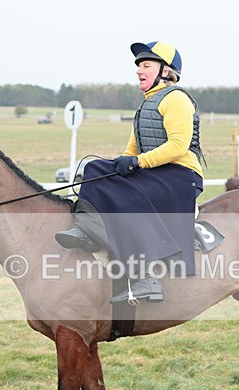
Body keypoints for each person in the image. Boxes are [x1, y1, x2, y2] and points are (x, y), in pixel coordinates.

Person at [55, 41, 205, 304]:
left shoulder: (177, 99)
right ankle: (87, 228)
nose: (139, 70)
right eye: (139, 66)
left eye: (146, 65)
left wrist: (137, 163)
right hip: (155, 172)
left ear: (166, 71)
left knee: (129, 197)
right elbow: (131, 150)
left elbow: (178, 146)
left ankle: (144, 277)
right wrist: (118, 166)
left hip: (181, 176)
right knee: (95, 168)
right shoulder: (145, 106)